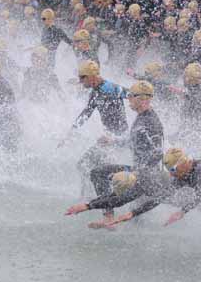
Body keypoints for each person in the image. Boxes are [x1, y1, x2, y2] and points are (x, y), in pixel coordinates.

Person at [65, 80, 165, 228]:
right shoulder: (142, 117)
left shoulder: (151, 121)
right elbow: (135, 141)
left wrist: (139, 173)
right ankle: (109, 218)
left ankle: (112, 220)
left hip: (146, 175)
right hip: (141, 172)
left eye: (131, 96)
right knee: (99, 173)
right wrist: (113, 141)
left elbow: (158, 153)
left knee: (136, 218)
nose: (128, 99)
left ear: (143, 99)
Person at [106, 148, 201, 233]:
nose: (171, 174)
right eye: (169, 170)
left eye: (173, 169)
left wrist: (181, 212)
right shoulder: (183, 175)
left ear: (184, 162)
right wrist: (131, 214)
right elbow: (160, 197)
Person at [64, 60, 129, 185]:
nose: (81, 81)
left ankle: (110, 195)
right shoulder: (95, 91)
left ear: (92, 76)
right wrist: (72, 130)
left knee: (89, 166)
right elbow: (87, 112)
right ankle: (90, 195)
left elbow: (133, 95)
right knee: (84, 165)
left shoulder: (111, 88)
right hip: (108, 138)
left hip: (116, 138)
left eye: (82, 78)